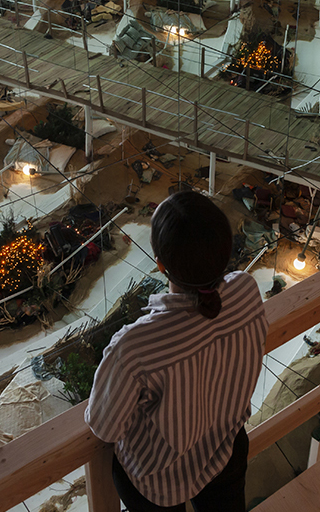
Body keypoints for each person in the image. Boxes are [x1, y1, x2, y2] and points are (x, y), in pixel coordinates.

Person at [85, 191, 268, 512]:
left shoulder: (135, 345)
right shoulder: (246, 290)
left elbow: (104, 426)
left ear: (160, 264)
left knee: (120, 467)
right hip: (226, 446)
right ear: (226, 251)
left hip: (158, 480)